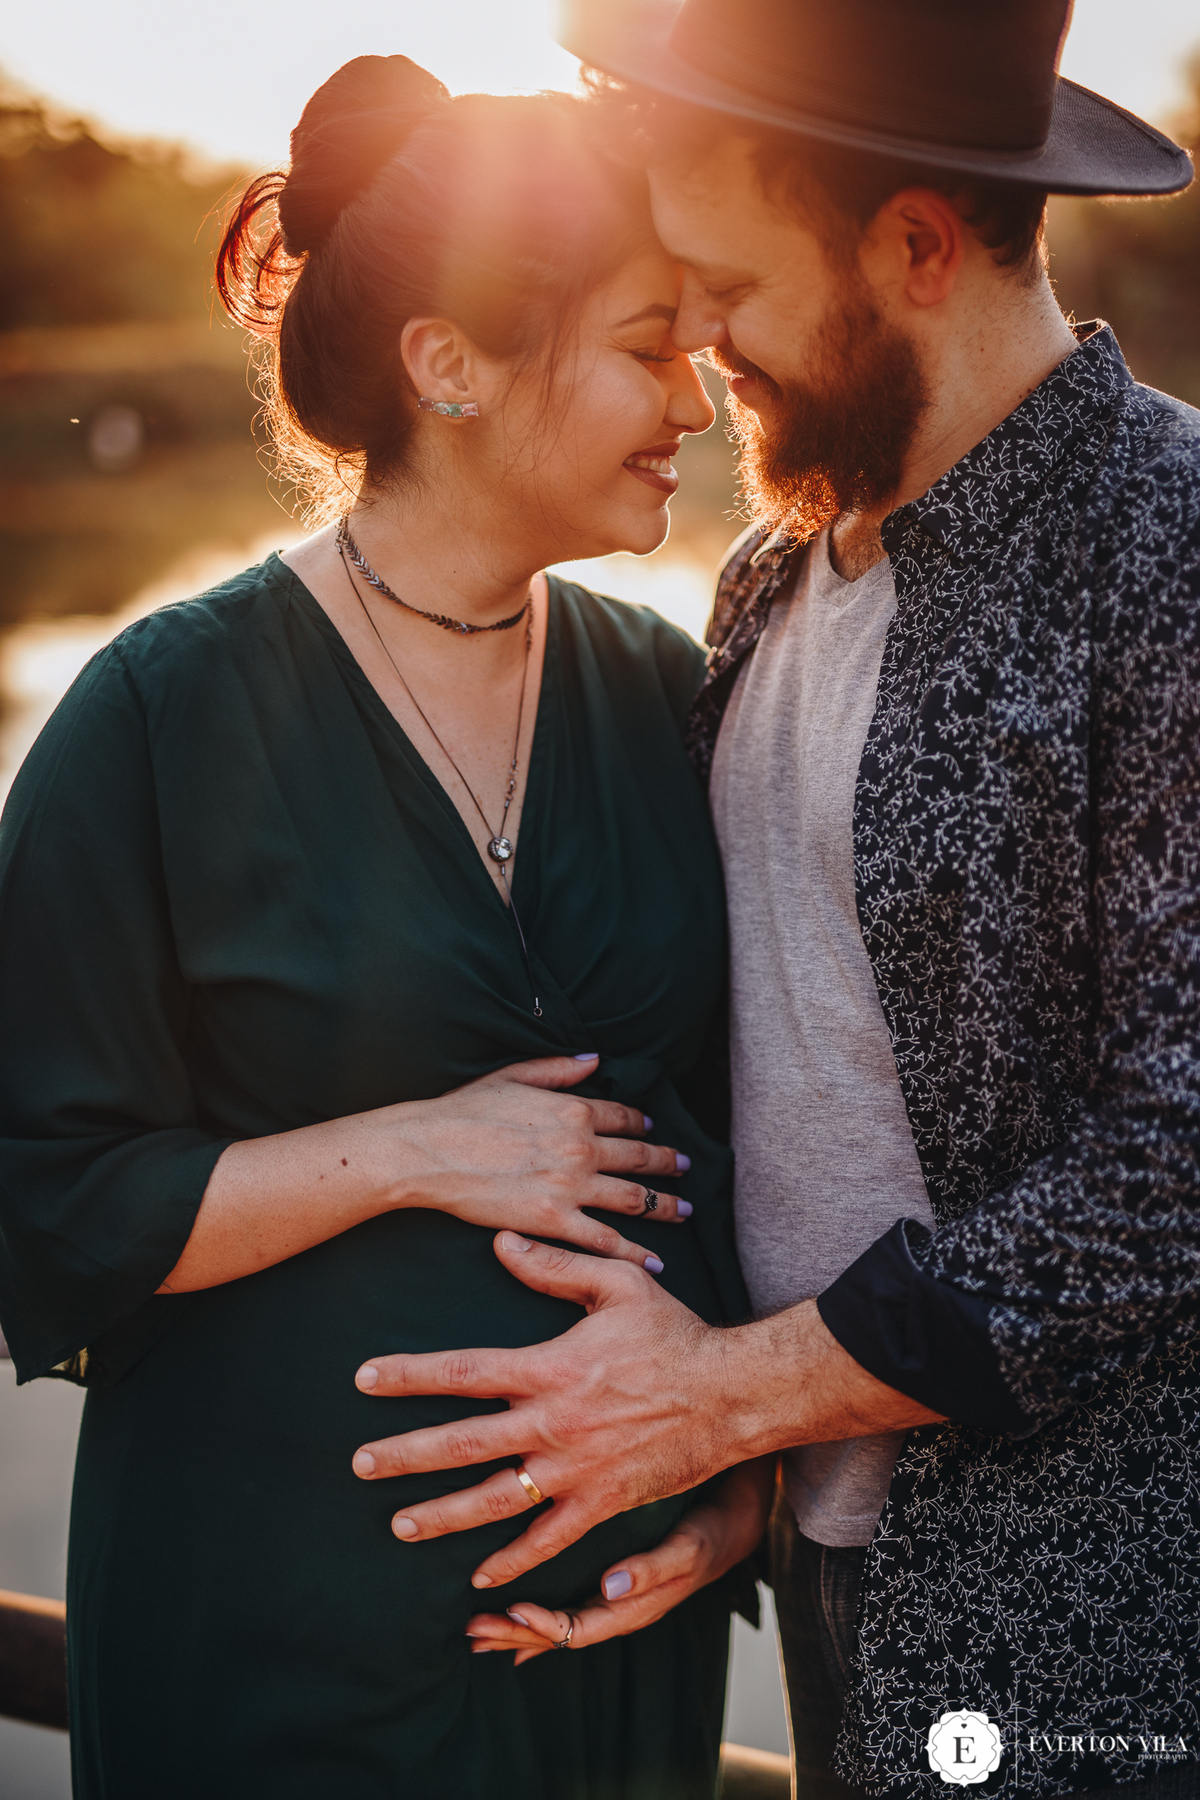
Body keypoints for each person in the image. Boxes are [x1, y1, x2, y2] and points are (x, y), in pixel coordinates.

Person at [348, 6, 1200, 1798]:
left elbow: (1174, 1157)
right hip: (824, 1551)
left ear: (913, 243)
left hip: (1104, 1605)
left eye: (726, 282)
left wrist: (727, 1390)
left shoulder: (1168, 549)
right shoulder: (765, 577)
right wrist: (743, 1440)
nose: (699, 343)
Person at [0, 54, 766, 1800]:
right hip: (272, 1657)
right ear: (451, 365)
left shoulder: (666, 695)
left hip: (611, 1670)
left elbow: (737, 1145)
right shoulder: (149, 722)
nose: (699, 402)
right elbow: (48, 1199)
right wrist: (419, 1148)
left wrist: (741, 1474)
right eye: (650, 344)